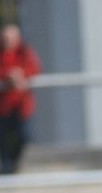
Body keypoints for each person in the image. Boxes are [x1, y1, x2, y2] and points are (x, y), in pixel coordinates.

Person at [0, 24, 41, 174]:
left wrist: (20, 74)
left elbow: (35, 69)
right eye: (4, 38)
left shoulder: (24, 52)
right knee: (3, 138)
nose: (7, 41)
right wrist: (8, 76)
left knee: (23, 136)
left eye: (10, 38)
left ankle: (13, 164)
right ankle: (7, 168)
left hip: (21, 105)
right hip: (3, 107)